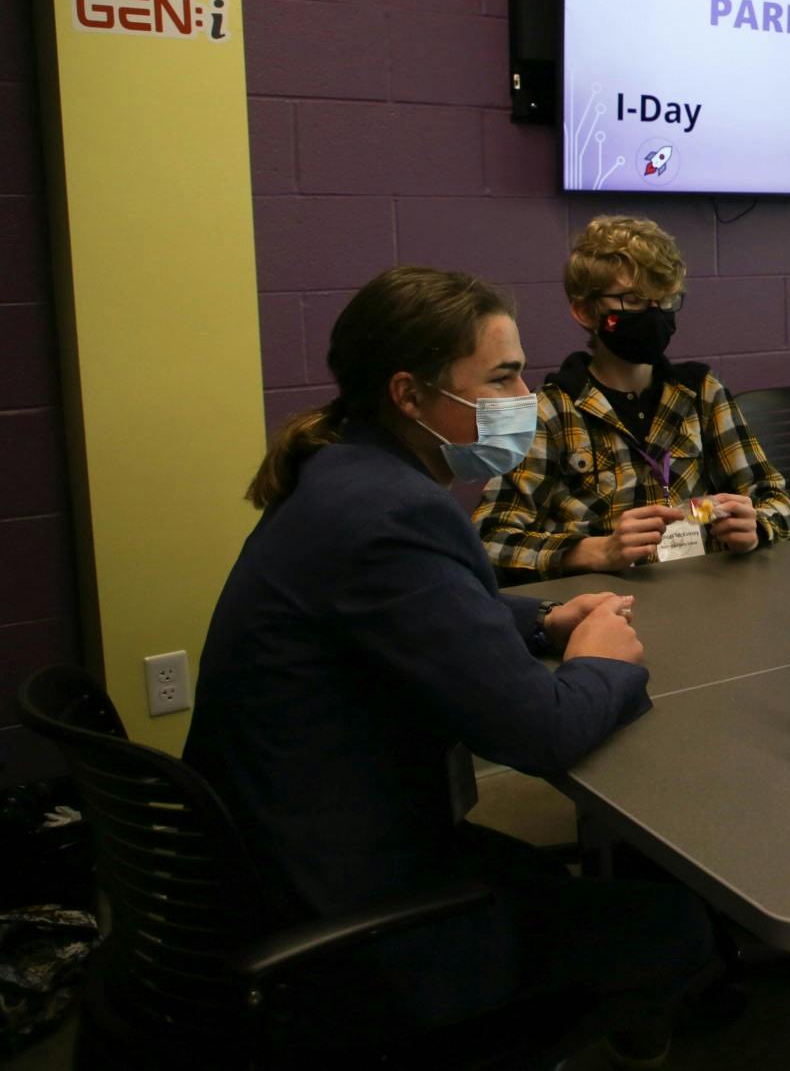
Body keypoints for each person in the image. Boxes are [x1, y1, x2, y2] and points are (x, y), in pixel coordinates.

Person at [184, 266, 711, 1064]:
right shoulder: (395, 511)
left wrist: (543, 617)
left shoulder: (344, 473)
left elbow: (408, 611)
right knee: (675, 927)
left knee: (564, 886)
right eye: (500, 375)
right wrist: (603, 658)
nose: (524, 393)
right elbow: (539, 734)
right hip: (344, 904)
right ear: (409, 392)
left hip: (282, 855)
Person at [477, 215, 790, 583]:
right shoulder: (551, 410)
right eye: (634, 300)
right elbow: (490, 537)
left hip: (702, 593)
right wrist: (594, 550)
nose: (655, 315)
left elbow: (777, 500)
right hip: (605, 607)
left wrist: (757, 526)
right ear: (585, 311)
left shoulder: (700, 392)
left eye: (666, 300)